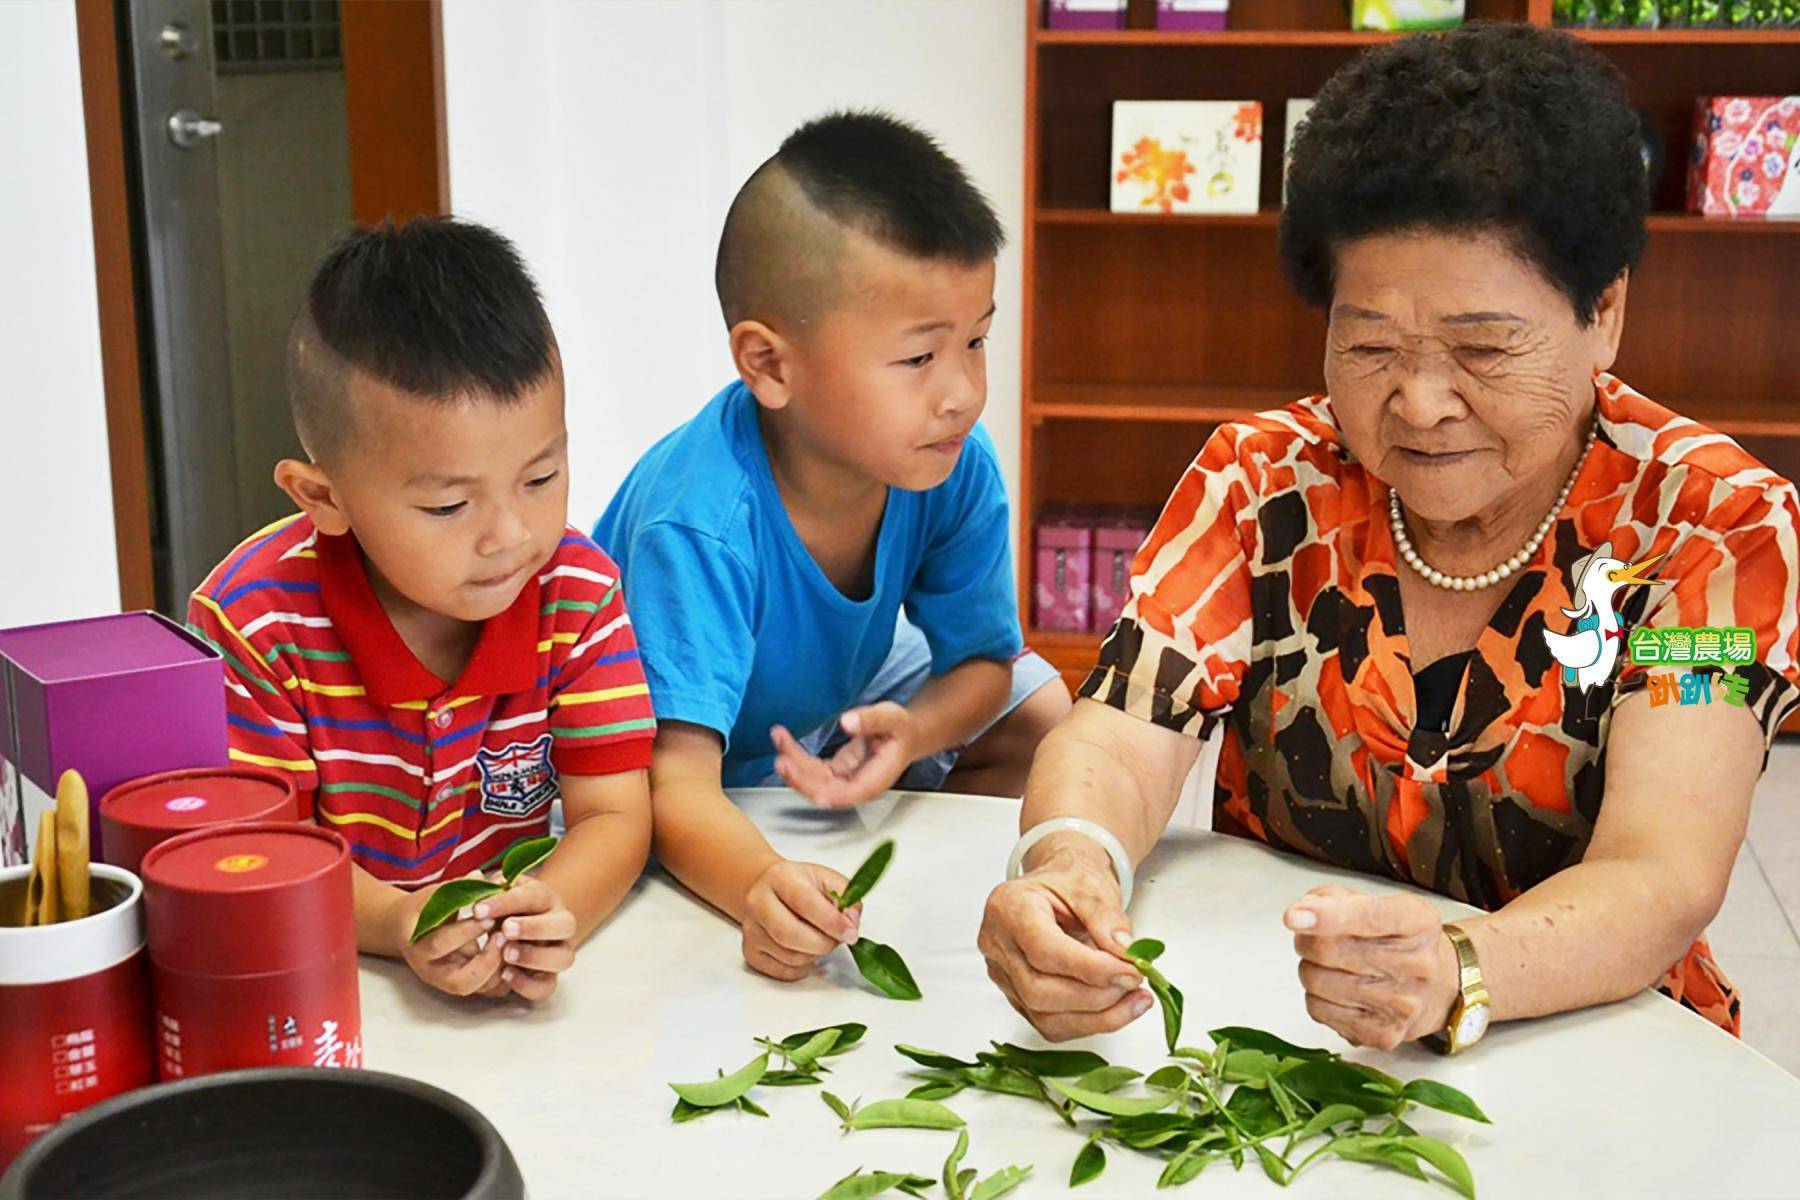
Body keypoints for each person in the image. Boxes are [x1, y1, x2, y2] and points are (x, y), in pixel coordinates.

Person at [978, 23, 1799, 1050]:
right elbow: (1121, 730)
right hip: (1292, 1036)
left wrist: (1461, 969)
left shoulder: (1711, 524)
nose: (1419, 403)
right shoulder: (1261, 480)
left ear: (1606, 313)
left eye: (1482, 348)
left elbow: (1662, 868)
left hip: (1597, 1032)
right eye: (1369, 344)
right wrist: (1067, 862)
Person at [594, 111, 1070, 982]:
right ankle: (793, 884)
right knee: (666, 846)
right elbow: (674, 785)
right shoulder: (698, 524)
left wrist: (916, 728)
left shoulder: (952, 463)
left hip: (814, 708)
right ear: (771, 367)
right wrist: (759, 886)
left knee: (1046, 719)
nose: (962, 393)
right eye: (918, 357)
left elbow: (985, 665)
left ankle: (863, 890)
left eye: (975, 340)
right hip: (665, 754)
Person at [189, 219, 655, 1003]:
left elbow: (614, 813)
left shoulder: (576, 593)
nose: (509, 536)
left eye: (540, 479)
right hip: (329, 982)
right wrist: (403, 924)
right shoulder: (254, 623)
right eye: (447, 505)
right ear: (324, 497)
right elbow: (265, 855)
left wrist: (549, 913)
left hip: (508, 993)